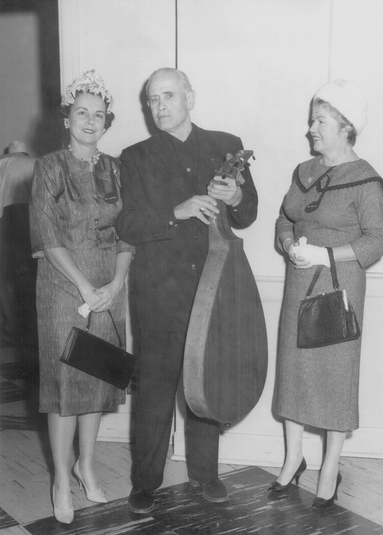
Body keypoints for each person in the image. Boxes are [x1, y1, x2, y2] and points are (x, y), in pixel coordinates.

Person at [116, 67, 258, 513]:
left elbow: (248, 213)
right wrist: (175, 211)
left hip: (213, 288)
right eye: (152, 100)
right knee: (155, 389)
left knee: (206, 384)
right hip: (158, 291)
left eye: (168, 96)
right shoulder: (134, 156)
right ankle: (145, 482)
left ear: (190, 98)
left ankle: (206, 475)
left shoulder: (227, 145)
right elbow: (128, 225)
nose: (159, 107)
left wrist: (235, 197)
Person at [271, 79, 383, 508]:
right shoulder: (304, 173)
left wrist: (326, 253)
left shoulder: (366, 180)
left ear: (345, 126)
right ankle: (292, 460)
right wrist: (288, 245)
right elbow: (285, 221)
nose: (311, 130)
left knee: (335, 380)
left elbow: (377, 241)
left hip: (340, 287)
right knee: (293, 373)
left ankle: (330, 468)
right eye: (311, 121)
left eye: (319, 121)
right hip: (298, 284)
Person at [29, 70, 134, 524]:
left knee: (95, 382)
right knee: (64, 389)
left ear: (106, 122)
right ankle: (59, 480)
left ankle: (85, 466)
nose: (90, 121)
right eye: (81, 113)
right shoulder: (48, 166)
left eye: (98, 115)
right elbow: (47, 236)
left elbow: (129, 235)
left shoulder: (116, 169)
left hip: (109, 290)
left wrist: (115, 284)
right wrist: (84, 284)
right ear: (67, 118)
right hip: (61, 288)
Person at [0, 142, 35, 346]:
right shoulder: (34, 161)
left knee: (4, 274)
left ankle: (12, 326)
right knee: (27, 273)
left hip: (6, 217)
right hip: (30, 216)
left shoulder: (3, 161)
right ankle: (28, 327)